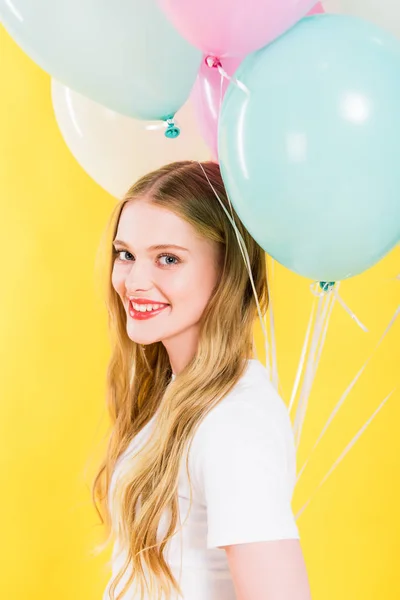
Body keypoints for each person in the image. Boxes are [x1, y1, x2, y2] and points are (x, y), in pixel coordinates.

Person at [92, 160, 311, 600]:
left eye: (168, 258)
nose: (135, 280)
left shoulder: (235, 421)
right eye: (126, 254)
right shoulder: (180, 395)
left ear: (227, 271)